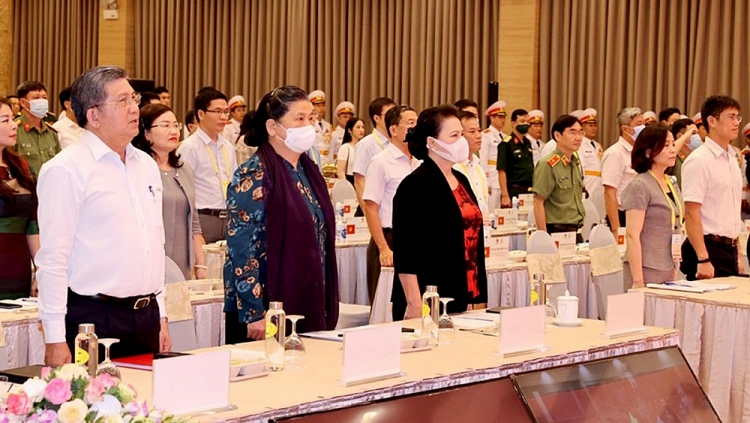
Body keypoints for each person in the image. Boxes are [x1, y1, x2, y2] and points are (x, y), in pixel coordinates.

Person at [36, 66, 171, 365]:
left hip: (146, 315)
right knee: (98, 396)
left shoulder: (146, 165)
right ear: (94, 115)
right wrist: (55, 338)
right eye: (122, 101)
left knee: (145, 396)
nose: (134, 108)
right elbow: (53, 259)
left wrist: (161, 314)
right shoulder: (66, 169)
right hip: (95, 319)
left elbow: (155, 242)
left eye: (134, 99)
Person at [223, 86, 339, 342]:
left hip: (308, 296)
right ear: (273, 127)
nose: (308, 125)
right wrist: (254, 312)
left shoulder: (309, 172)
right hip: (266, 307)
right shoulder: (254, 174)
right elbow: (241, 248)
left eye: (310, 118)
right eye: (299, 119)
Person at [392, 105, 487, 320]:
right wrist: (414, 303)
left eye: (461, 134)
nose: (462, 141)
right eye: (454, 136)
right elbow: (406, 250)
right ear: (432, 143)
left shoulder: (461, 179)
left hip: (463, 289)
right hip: (429, 295)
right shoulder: (415, 185)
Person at [132, 103, 207, 280]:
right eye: (165, 125)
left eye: (175, 125)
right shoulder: (137, 169)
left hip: (183, 262)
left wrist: (200, 265)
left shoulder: (184, 168)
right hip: (148, 262)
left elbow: (194, 222)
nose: (173, 131)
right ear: (146, 133)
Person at [680, 95, 744, 280]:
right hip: (708, 248)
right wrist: (703, 258)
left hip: (730, 249)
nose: (736, 123)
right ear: (712, 121)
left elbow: (732, 212)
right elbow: (691, 213)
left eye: (737, 117)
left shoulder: (732, 158)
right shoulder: (699, 160)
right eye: (731, 117)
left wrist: (738, 254)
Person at [363, 105, 419, 303]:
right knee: (387, 304)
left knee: (415, 302)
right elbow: (370, 208)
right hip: (390, 238)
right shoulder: (380, 162)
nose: (416, 128)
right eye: (410, 123)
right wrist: (383, 248)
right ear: (393, 129)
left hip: (415, 238)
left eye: (417, 123)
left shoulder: (419, 161)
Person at [622, 125, 683, 288]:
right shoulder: (640, 185)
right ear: (648, 152)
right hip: (645, 268)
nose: (673, 150)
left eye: (673, 144)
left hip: (670, 265)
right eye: (666, 145)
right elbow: (632, 235)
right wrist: (638, 281)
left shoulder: (671, 182)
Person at [178, 88, 238, 243]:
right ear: (201, 114)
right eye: (217, 111)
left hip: (228, 217)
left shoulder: (228, 147)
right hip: (203, 218)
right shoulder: (189, 147)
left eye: (226, 112)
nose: (223, 117)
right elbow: (183, 189)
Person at [0, 97, 40, 299]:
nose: (14, 124)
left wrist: (40, 269)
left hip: (17, 268)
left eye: (12, 118)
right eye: (5, 120)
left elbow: (32, 224)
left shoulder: (22, 167)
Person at [533, 115, 585, 242]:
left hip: (576, 231)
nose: (578, 138)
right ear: (557, 136)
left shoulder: (575, 162)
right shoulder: (548, 164)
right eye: (572, 132)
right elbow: (538, 202)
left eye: (580, 132)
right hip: (557, 231)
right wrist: (544, 238)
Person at [602, 107, 644, 234]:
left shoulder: (640, 151)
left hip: (639, 213)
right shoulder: (615, 153)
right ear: (625, 129)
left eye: (644, 123)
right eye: (639, 124)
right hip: (622, 215)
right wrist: (616, 228)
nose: (643, 128)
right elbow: (609, 192)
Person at [352, 97, 397, 215]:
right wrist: (368, 213)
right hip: (375, 209)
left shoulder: (397, 142)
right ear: (376, 118)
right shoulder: (366, 144)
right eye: (389, 114)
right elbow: (359, 181)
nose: (394, 118)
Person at [10, 81, 61, 175]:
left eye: (44, 98)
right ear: (23, 102)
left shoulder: (51, 132)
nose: (42, 101)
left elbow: (59, 163)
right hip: (25, 183)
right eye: (36, 98)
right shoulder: (14, 130)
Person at [453, 110, 489, 217]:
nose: (479, 136)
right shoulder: (453, 167)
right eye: (472, 132)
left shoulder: (478, 167)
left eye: (479, 130)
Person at [497, 108, 534, 206]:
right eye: (522, 121)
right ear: (513, 124)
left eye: (527, 121)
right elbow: (502, 171)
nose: (526, 124)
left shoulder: (528, 143)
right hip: (514, 191)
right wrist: (505, 195)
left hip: (529, 190)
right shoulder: (506, 144)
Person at [480, 100, 507, 211]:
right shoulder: (486, 135)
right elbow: (483, 159)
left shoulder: (505, 137)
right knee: (491, 210)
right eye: (499, 117)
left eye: (504, 117)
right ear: (491, 118)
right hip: (492, 177)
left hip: (502, 179)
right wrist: (486, 181)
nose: (502, 120)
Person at [666, 118, 700, 188]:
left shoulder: (697, 154)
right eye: (693, 133)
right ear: (679, 136)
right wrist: (686, 135)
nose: (697, 136)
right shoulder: (674, 156)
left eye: (698, 133)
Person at [336, 117, 365, 185]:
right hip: (349, 181)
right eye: (358, 127)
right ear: (349, 130)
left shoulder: (364, 146)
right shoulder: (345, 148)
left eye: (363, 127)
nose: (361, 130)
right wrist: (346, 186)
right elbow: (340, 171)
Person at [309, 90, 333, 164]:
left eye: (323, 105)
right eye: (318, 106)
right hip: (314, 158)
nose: (321, 108)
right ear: (312, 107)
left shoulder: (328, 126)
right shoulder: (309, 124)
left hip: (327, 160)